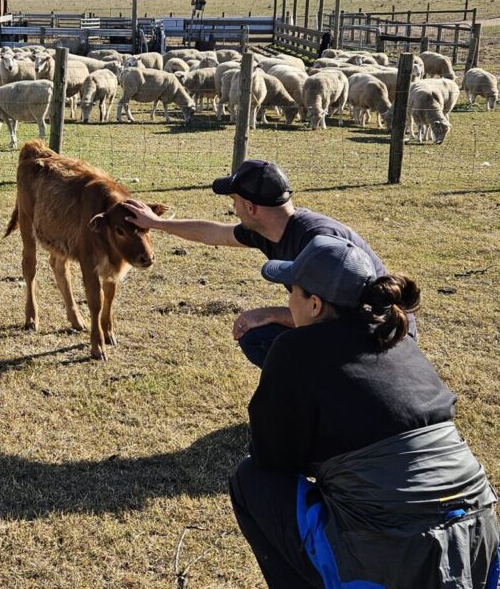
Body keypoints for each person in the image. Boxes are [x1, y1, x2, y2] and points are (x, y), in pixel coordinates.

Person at [228, 235, 499, 588]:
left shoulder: (294, 349)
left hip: (395, 552)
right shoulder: (397, 338)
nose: (288, 301)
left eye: (290, 291)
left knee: (251, 481)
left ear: (313, 304)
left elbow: (272, 458)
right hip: (478, 542)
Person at [123, 159, 415, 368]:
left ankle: (326, 398)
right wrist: (157, 223)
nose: (233, 208)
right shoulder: (269, 230)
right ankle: (312, 394)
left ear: (251, 207)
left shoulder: (319, 241)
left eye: (235, 201)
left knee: (264, 334)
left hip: (379, 335)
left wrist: (272, 313)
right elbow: (214, 233)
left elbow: (340, 316)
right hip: (348, 326)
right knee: (259, 338)